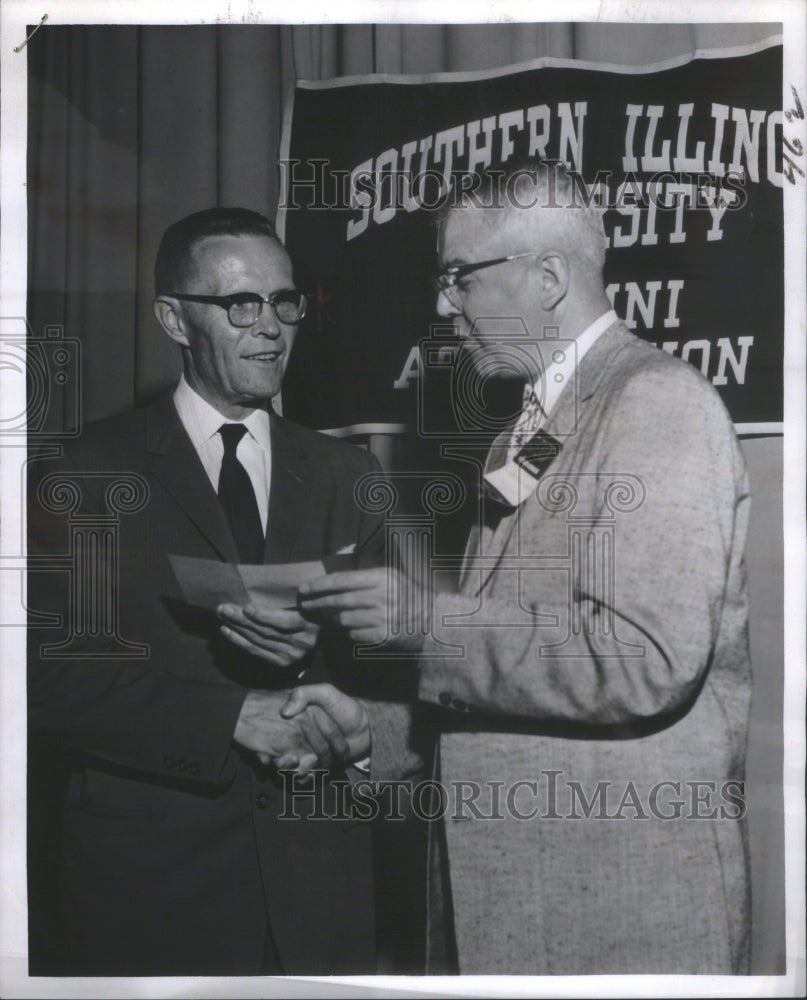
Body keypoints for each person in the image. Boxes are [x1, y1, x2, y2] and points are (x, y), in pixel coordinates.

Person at [285, 159, 754, 974]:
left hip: (618, 915)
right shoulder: (525, 432)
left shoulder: (655, 402)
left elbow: (643, 661)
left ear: (546, 277)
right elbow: (513, 678)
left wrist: (429, 621)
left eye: (458, 276)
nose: (442, 304)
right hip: (528, 911)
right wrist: (378, 735)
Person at [26, 207, 420, 976]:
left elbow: (398, 668)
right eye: (240, 304)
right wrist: (230, 718)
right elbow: (38, 676)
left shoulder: (348, 475)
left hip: (321, 892)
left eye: (285, 301)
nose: (270, 326)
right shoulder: (85, 471)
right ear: (173, 318)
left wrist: (334, 692)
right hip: (148, 898)